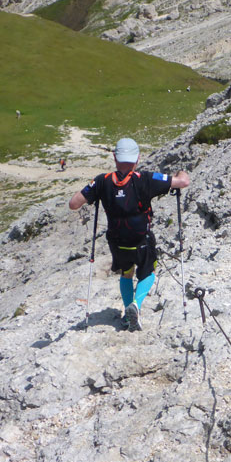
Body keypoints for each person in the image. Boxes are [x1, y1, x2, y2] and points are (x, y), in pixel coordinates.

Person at [69, 138, 190, 331]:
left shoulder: (101, 181)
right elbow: (183, 182)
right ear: (137, 158)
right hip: (141, 239)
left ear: (115, 157)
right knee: (148, 272)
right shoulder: (146, 179)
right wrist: (180, 172)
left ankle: (127, 315)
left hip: (117, 241)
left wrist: (93, 188)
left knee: (126, 273)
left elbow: (74, 204)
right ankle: (136, 305)